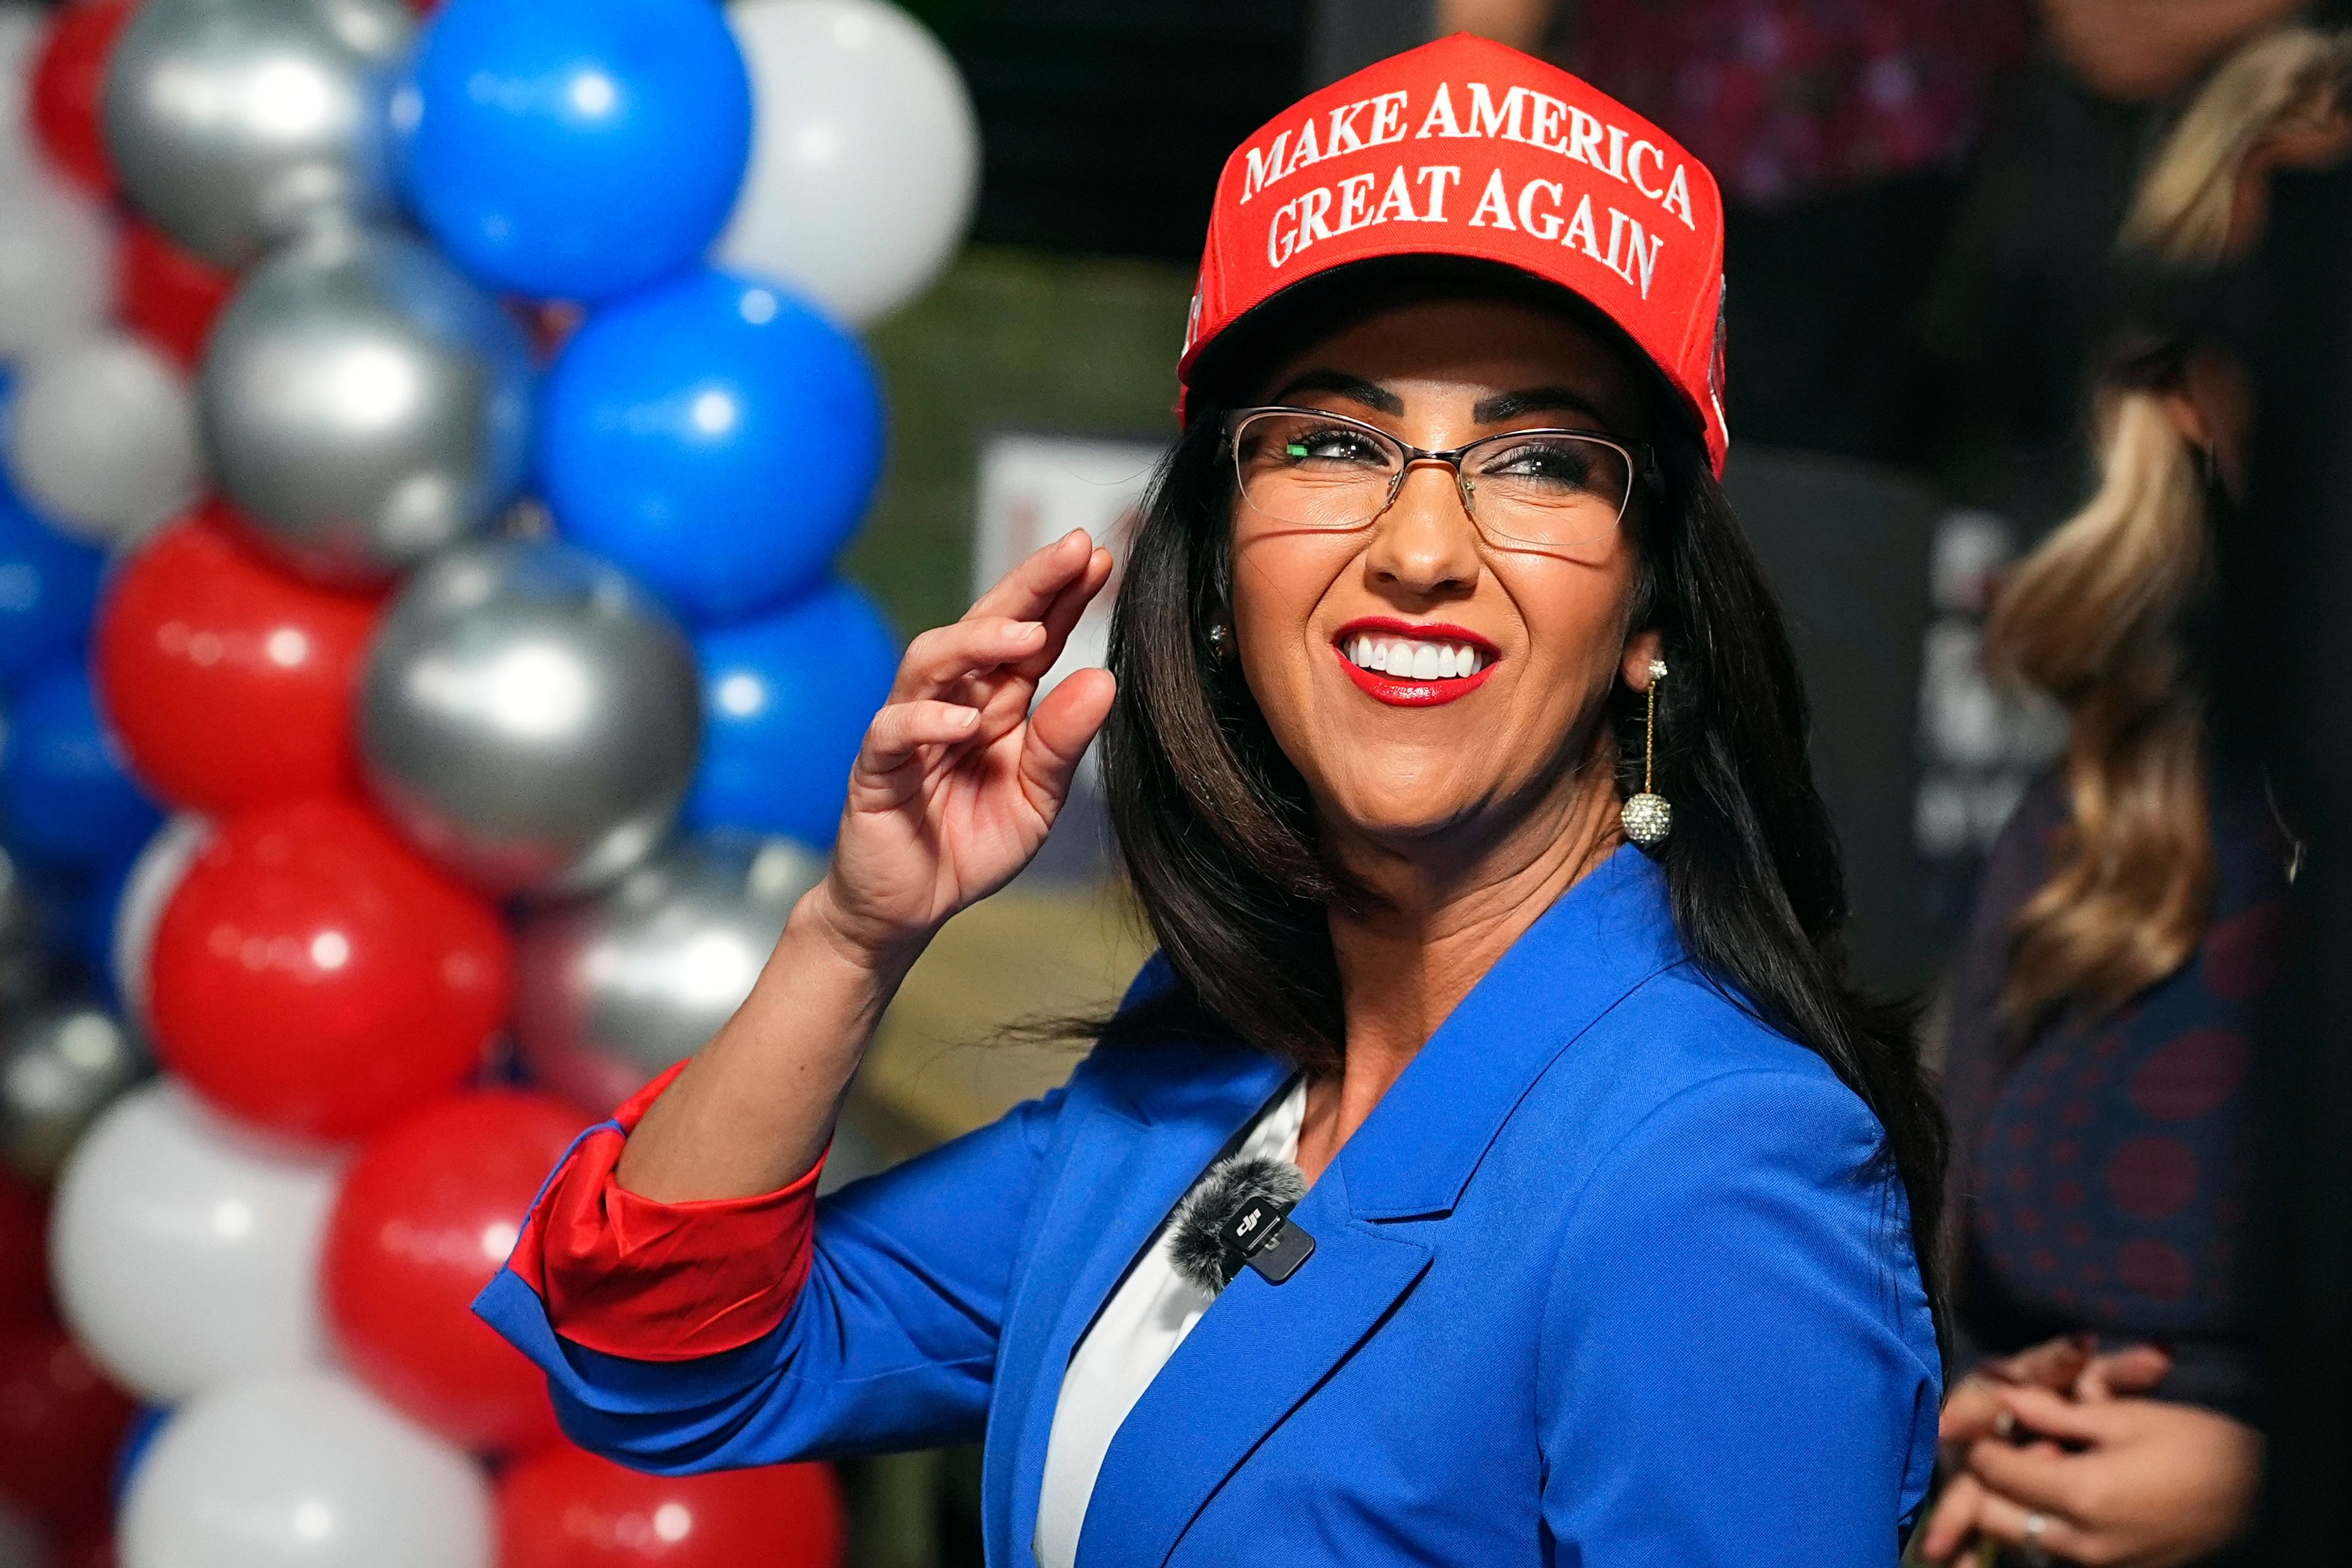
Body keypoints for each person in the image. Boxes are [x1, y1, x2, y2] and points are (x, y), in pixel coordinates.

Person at [477, 35, 1947, 1564]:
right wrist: (857, 932)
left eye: (1538, 460)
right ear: (1227, 572)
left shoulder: (1714, 1168)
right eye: (1331, 440)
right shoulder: (1205, 1062)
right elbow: (665, 1365)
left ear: (1652, 612)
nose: (1423, 545)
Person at [1914, 26, 2351, 1567]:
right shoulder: (2096, 812)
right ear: (2181, 392)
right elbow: (1956, 1298)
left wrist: (2270, 1488)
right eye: (2303, 313)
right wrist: (1972, 1412)